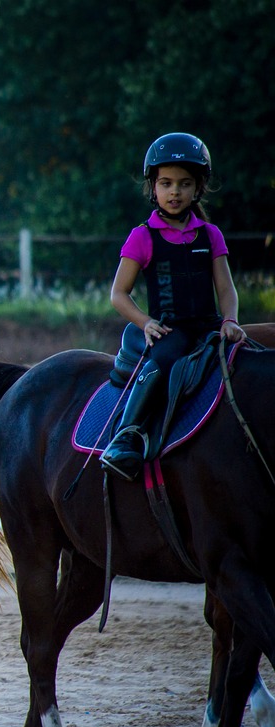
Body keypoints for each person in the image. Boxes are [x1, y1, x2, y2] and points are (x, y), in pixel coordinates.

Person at [100, 132, 247, 481]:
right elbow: (118, 294)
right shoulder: (142, 237)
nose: (175, 192)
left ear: (198, 188)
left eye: (184, 184)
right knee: (165, 358)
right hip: (170, 329)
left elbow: (226, 288)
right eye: (166, 183)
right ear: (153, 187)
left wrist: (230, 319)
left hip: (209, 326)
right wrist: (145, 322)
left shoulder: (210, 235)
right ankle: (127, 435)